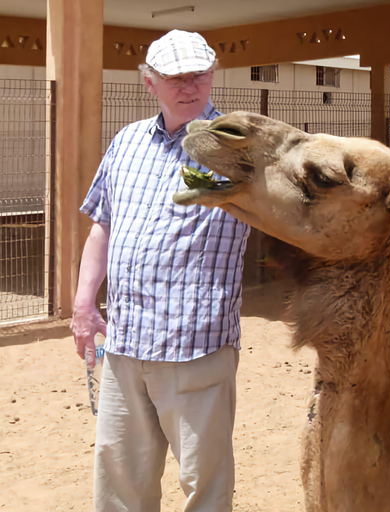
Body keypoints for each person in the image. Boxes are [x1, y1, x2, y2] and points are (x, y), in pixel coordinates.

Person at [69, 29, 250, 512]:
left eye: (199, 75)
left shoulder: (240, 148)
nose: (189, 87)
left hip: (197, 344)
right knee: (119, 478)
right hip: (125, 344)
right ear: (149, 83)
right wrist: (84, 305)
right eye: (175, 78)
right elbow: (101, 228)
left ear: (212, 75)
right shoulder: (126, 142)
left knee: (205, 484)